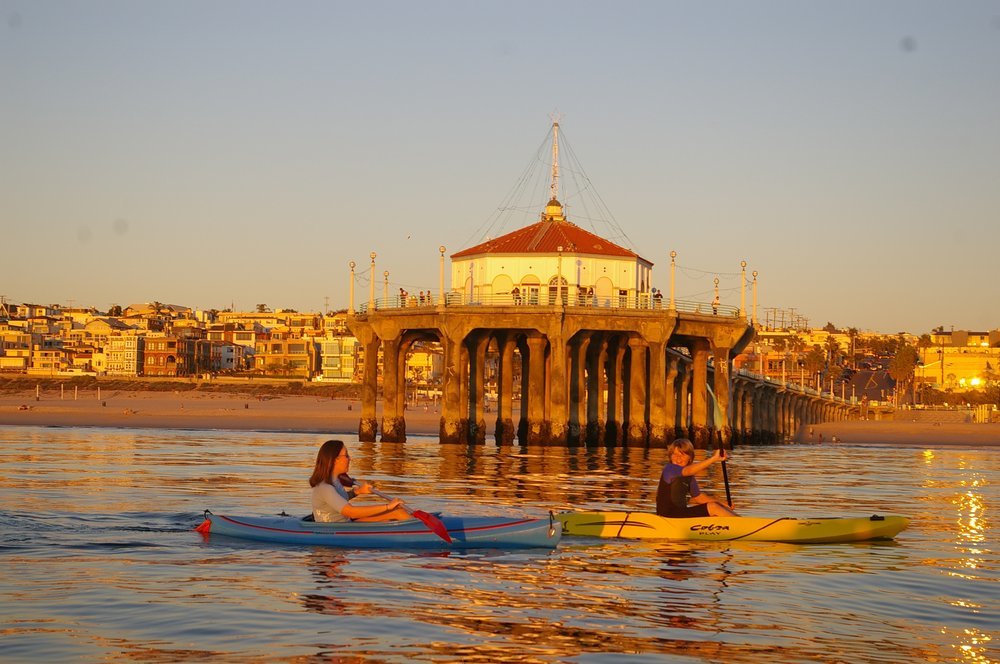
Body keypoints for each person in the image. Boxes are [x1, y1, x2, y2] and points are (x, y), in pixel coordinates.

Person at [309, 439, 410, 522]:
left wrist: (357, 491)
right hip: (336, 529)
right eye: (346, 455)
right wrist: (388, 506)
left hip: (347, 523)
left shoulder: (335, 481)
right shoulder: (325, 487)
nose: (350, 458)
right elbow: (351, 512)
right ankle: (422, 533)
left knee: (399, 510)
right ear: (335, 460)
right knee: (398, 512)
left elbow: (339, 498)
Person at [656, 438, 738, 518]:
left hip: (681, 513)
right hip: (667, 515)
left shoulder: (689, 476)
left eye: (682, 455)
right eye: (675, 454)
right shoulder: (670, 469)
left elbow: (699, 498)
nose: (678, 458)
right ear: (670, 456)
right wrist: (714, 459)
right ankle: (743, 526)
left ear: (690, 458)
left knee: (716, 511)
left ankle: (742, 524)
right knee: (713, 507)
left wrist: (722, 504)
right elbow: (689, 470)